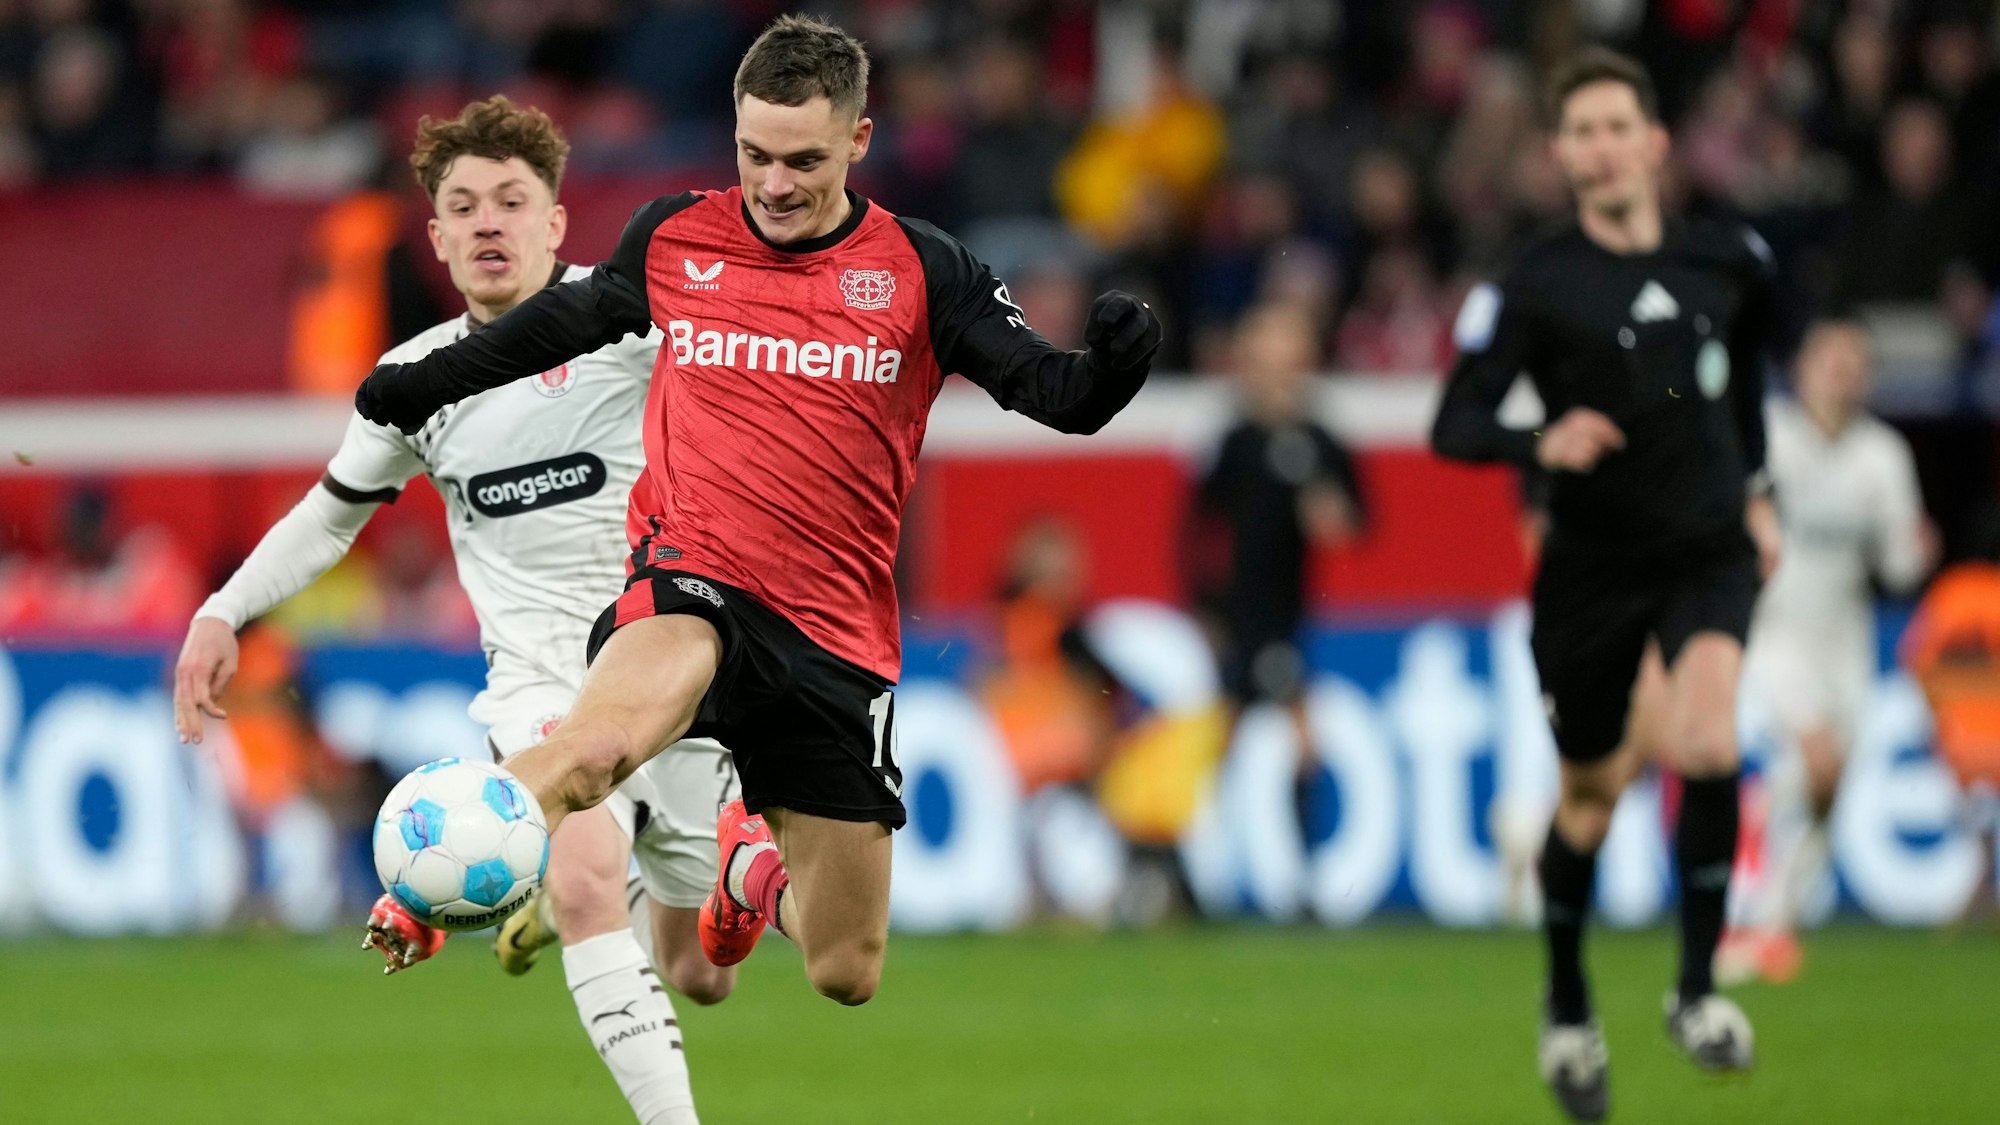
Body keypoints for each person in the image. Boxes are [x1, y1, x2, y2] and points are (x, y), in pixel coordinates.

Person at [351, 15, 1160, 1009]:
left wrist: (1112, 367)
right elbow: (561, 320)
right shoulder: (676, 235)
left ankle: (744, 879)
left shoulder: (922, 270)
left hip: (834, 636)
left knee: (844, 967)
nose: (773, 183)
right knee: (593, 750)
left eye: (802, 161)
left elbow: (1056, 394)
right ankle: (442, 868)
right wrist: (423, 381)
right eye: (754, 155)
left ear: (858, 142)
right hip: (689, 588)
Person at [172, 95, 732, 1125]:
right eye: (463, 205)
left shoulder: (635, 330)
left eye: (511, 201)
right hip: (541, 687)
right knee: (583, 876)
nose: (487, 222)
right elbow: (329, 516)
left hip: (672, 662)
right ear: (432, 234)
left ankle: (560, 914)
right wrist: (222, 611)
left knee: (702, 969)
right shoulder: (415, 380)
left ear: (555, 223)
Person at [1430, 48, 1781, 1122]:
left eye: (1613, 127)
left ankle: (1691, 989)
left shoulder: (1731, 260)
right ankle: (1568, 1005)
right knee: (1589, 794)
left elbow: (1744, 392)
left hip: (1706, 548)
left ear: (1653, 142)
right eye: (1577, 131)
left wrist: (1758, 489)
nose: (1597, 148)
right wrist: (1543, 436)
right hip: (1590, 569)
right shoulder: (1531, 282)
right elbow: (1454, 424)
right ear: (1559, 154)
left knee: (1708, 743)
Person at [1725, 321, 1933, 981]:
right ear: (1804, 366)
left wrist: (1916, 550)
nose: (1843, 372)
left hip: (1845, 636)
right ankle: (1755, 904)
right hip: (1777, 630)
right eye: (1831, 359)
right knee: (1818, 762)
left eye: (1855, 362)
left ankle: (1769, 926)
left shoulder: (1883, 455)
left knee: (1828, 788)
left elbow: (1899, 566)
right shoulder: (1769, 435)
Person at [1184, 301, 1365, 844]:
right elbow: (1197, 532)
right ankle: (1204, 856)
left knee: (1283, 738)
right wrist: (1202, 609)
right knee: (1234, 739)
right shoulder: (1233, 440)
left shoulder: (1319, 441)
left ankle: (1285, 866)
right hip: (1236, 612)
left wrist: (1330, 510)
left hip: (1288, 612)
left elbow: (1355, 521)